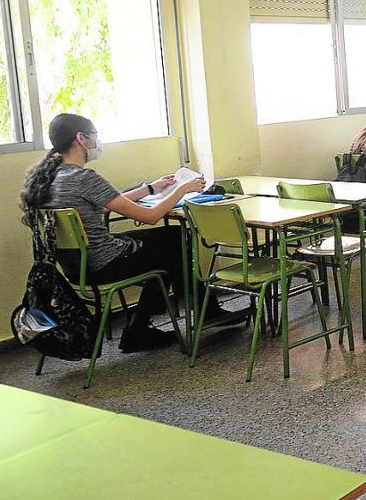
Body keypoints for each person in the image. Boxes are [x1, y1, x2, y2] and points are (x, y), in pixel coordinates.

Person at [19, 113, 246, 352]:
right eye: (95, 135)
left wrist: (150, 188)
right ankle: (202, 312)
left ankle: (150, 327)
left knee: (167, 249)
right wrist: (182, 190)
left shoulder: (49, 178)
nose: (97, 142)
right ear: (80, 138)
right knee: (174, 240)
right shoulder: (84, 177)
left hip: (76, 267)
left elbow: (110, 202)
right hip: (104, 262)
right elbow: (149, 217)